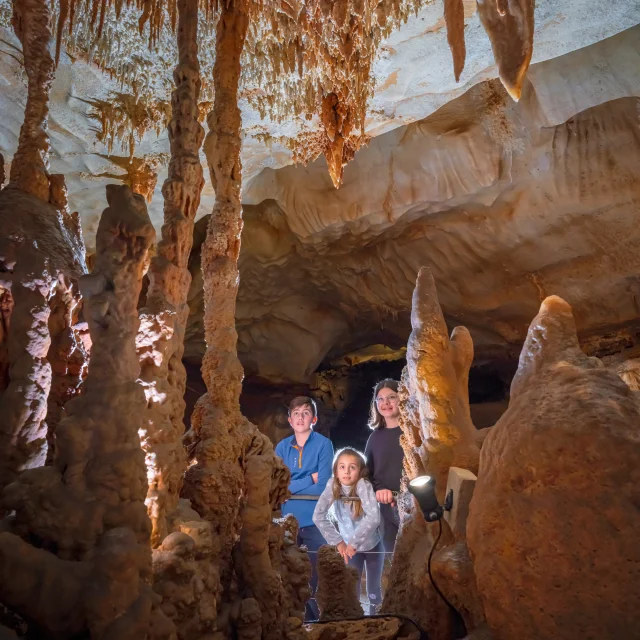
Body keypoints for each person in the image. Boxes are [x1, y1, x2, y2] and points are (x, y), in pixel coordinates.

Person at [275, 396, 333, 621]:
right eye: (296, 413)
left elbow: (324, 485)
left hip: (315, 520)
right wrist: (309, 477)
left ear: (314, 418)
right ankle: (295, 621)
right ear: (290, 420)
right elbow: (278, 486)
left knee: (316, 574)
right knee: (289, 573)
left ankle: (316, 621)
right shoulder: (282, 447)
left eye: (306, 412)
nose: (300, 417)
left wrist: (292, 488)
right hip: (287, 521)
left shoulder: (323, 445)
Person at [312, 447, 384, 615]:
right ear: (336, 471)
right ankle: (355, 621)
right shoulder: (333, 485)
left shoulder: (363, 485)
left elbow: (374, 517)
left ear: (360, 471)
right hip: (349, 548)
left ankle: (377, 620)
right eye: (342, 467)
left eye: (352, 467)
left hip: (372, 544)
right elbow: (318, 516)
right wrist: (339, 542)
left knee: (373, 587)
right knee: (352, 586)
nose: (347, 471)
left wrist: (353, 543)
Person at [364, 379, 404, 554]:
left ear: (402, 398)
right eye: (380, 399)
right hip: (386, 511)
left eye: (391, 397)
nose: (385, 403)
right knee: (395, 563)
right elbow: (367, 473)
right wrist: (379, 489)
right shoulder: (375, 438)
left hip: (413, 509)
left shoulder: (413, 434)